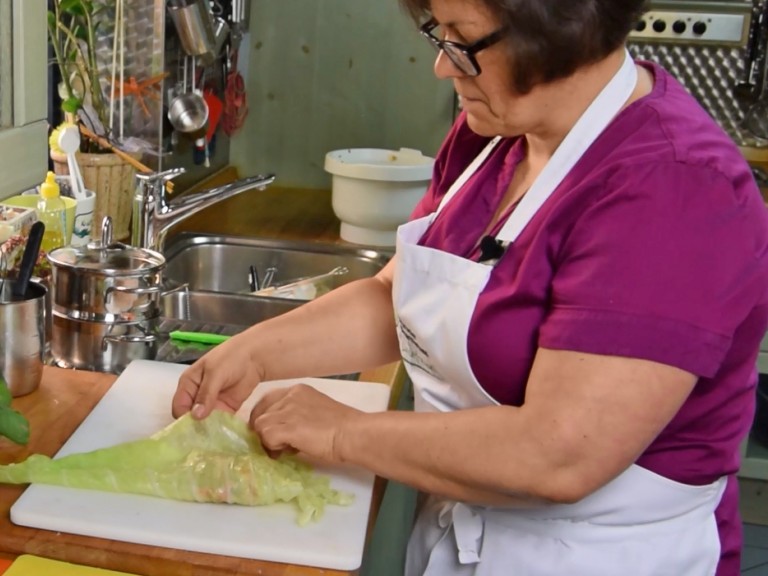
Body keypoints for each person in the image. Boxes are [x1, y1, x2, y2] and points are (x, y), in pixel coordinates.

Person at [172, 0, 768, 573]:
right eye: (441, 34)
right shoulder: (495, 130)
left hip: (600, 557)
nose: (442, 65)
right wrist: (255, 352)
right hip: (464, 536)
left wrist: (340, 431)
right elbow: (395, 300)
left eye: (463, 39)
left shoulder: (676, 189)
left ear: (562, 27)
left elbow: (561, 454)